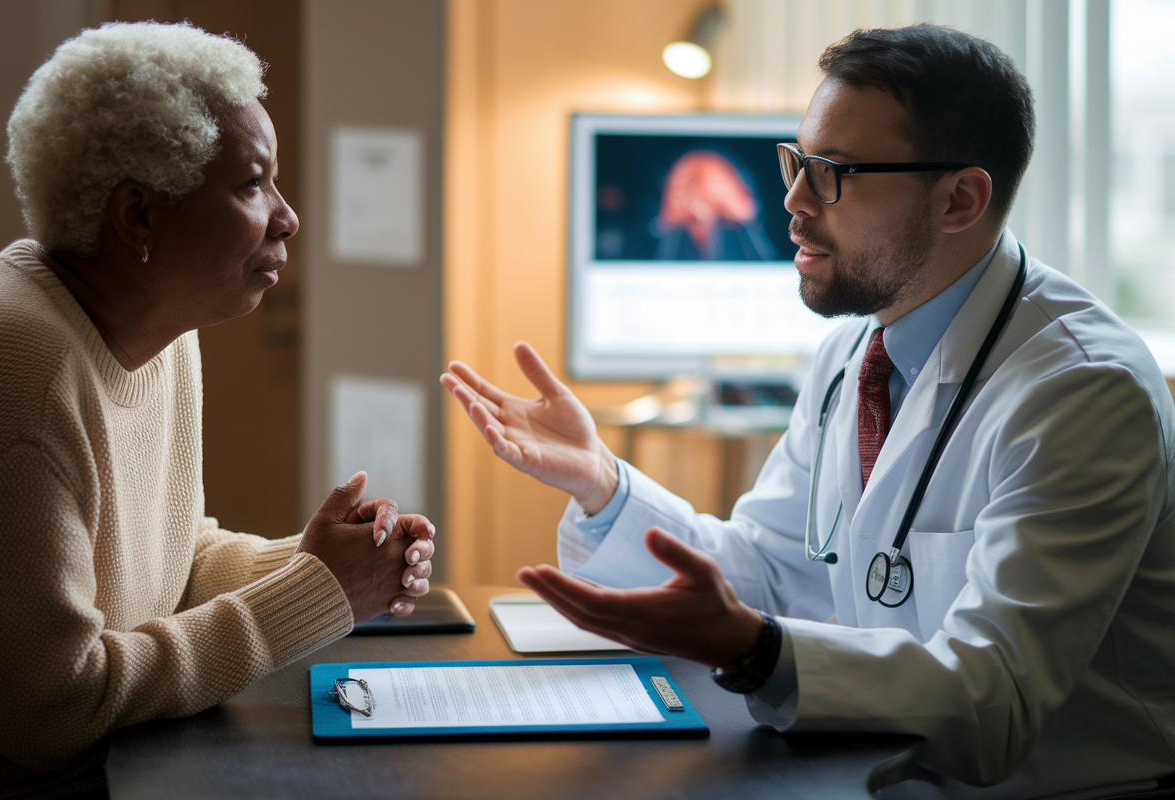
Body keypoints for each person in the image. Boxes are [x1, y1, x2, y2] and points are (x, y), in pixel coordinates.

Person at [442, 24, 1175, 800]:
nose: (791, 200)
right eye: (796, 163)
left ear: (960, 198)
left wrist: (758, 653)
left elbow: (996, 700)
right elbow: (766, 570)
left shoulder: (1083, 391)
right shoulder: (854, 354)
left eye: (833, 173)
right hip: (871, 768)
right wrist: (604, 485)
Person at [0, 22, 434, 799]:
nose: (286, 217)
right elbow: (51, 712)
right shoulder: (12, 373)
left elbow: (170, 562)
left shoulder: (157, 331)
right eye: (252, 184)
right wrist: (315, 595)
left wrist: (321, 562)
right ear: (138, 215)